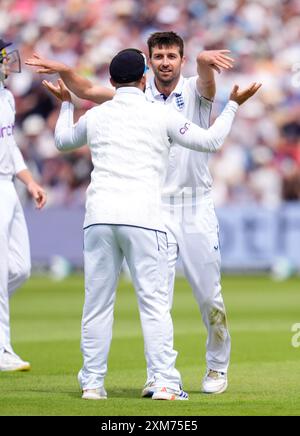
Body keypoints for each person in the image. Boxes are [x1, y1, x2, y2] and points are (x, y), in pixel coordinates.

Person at [26, 32, 259, 395]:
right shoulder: (138, 96)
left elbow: (207, 79)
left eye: (172, 55)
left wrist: (202, 59)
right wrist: (67, 69)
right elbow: (87, 89)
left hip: (195, 206)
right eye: (159, 56)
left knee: (209, 296)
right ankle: (158, 376)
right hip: (153, 209)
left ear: (181, 61)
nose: (165, 61)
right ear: (148, 65)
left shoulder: (197, 87)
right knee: (156, 299)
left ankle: (216, 366)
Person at [0, 38, 47, 372]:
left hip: (9, 186)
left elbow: (10, 145)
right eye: (3, 58)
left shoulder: (6, 96)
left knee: (19, 269)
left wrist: (29, 181)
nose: (8, 62)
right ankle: (2, 350)